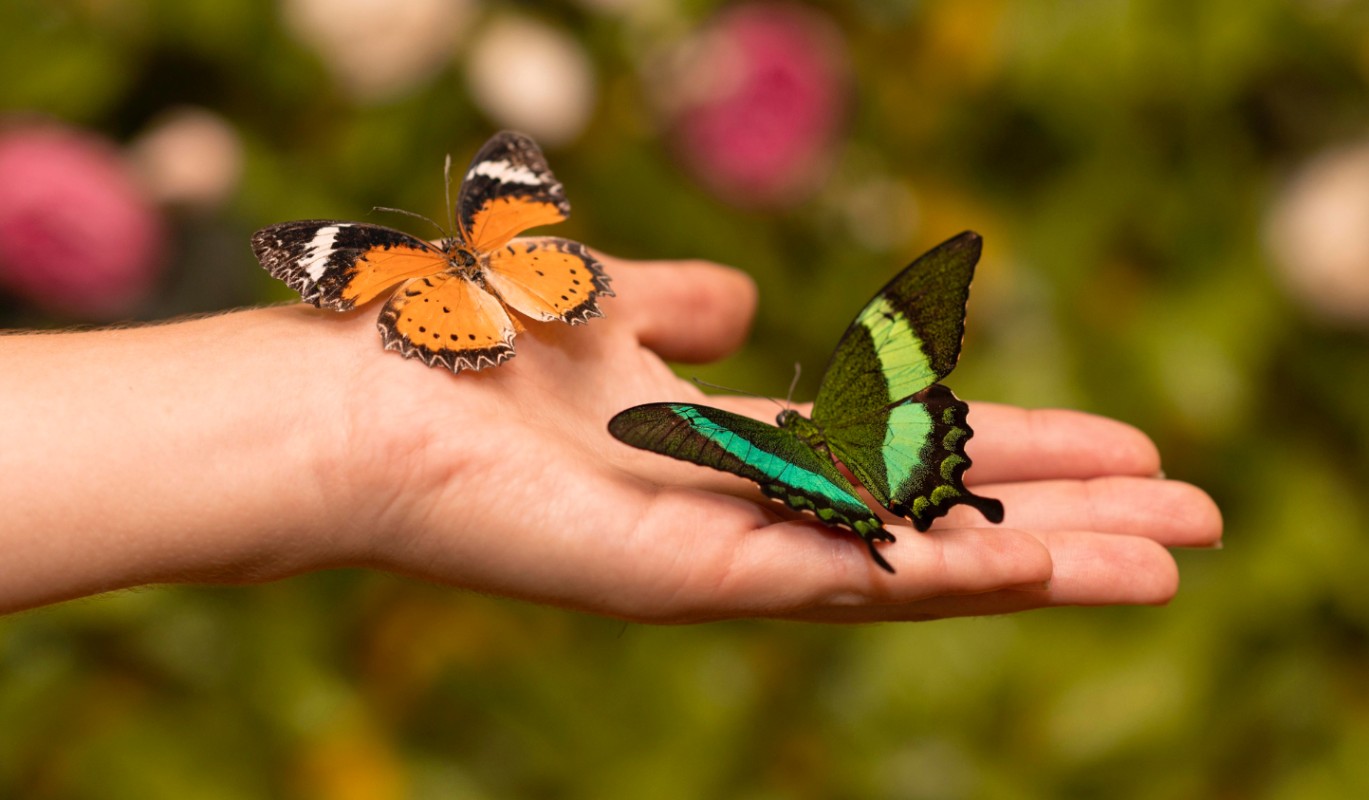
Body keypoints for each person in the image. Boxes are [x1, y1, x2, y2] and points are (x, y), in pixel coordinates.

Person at [0, 253, 1221, 620]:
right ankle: (887, 495)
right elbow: (874, 364)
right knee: (884, 427)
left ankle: (865, 503)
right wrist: (343, 416)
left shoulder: (743, 435)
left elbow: (706, 432)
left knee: (843, 456)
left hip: (823, 473)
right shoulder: (835, 393)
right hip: (879, 455)